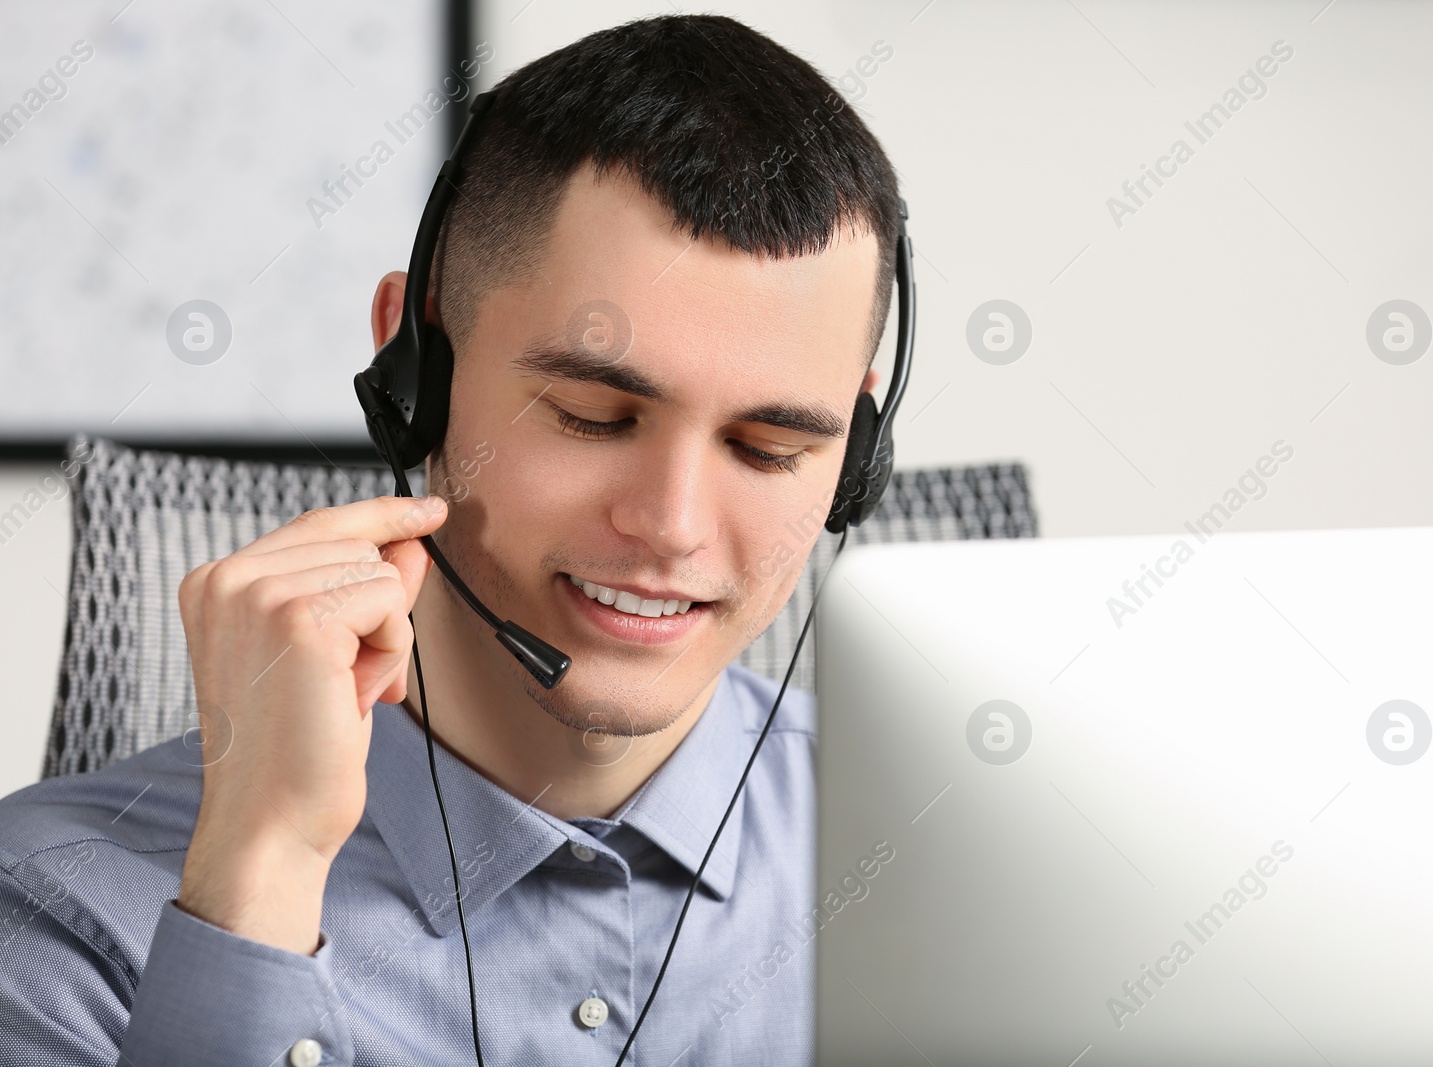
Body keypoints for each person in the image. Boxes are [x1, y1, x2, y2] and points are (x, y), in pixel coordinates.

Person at [0, 14, 901, 1065]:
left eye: (768, 447)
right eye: (592, 417)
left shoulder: (958, 845)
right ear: (414, 362)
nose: (673, 526)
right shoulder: (56, 906)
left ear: (858, 447)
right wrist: (263, 879)